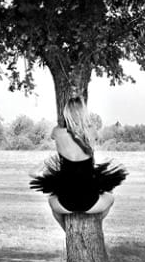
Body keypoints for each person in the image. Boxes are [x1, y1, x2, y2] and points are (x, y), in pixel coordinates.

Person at [29, 96, 127, 225]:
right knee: (111, 198)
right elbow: (95, 136)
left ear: (66, 113)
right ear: (84, 113)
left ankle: (66, 231)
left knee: (51, 201)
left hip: (65, 204)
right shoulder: (91, 132)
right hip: (91, 203)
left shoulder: (57, 132)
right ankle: (96, 224)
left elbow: (53, 136)